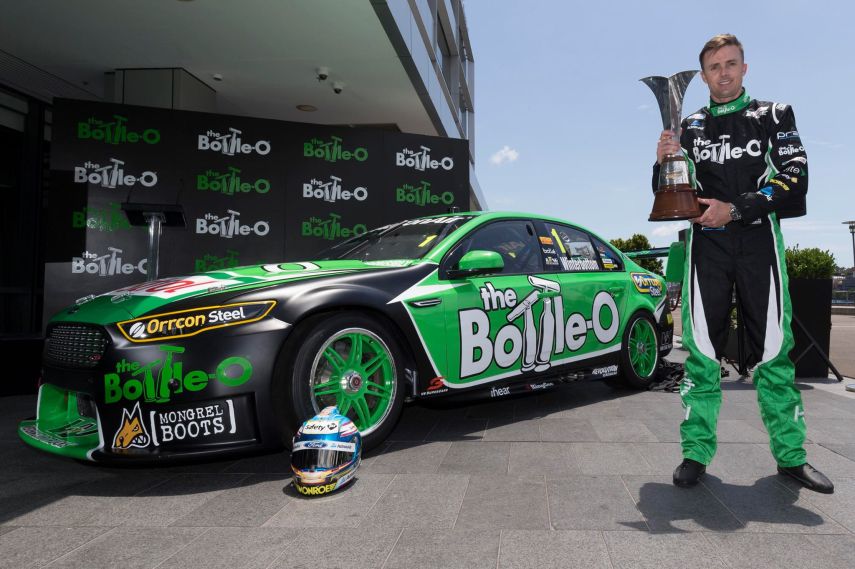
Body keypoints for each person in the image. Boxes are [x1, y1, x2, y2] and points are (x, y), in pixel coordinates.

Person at [653, 34, 833, 493]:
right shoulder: (690, 126)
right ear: (705, 74)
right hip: (705, 250)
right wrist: (662, 165)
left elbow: (795, 177)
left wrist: (735, 208)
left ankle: (791, 457)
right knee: (702, 357)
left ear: (744, 68)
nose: (724, 73)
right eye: (714, 67)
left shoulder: (773, 115)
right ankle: (695, 453)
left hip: (758, 247)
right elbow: (671, 193)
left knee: (775, 353)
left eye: (731, 64)